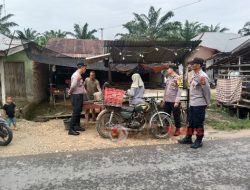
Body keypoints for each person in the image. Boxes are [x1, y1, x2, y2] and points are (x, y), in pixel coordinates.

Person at [179, 58, 211, 149]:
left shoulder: (203, 76)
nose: (192, 65)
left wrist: (207, 102)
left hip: (199, 103)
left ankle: (199, 140)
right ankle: (188, 138)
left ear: (200, 65)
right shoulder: (193, 74)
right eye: (192, 63)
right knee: (191, 122)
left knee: (198, 123)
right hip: (192, 103)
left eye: (194, 64)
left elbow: (207, 91)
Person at [68, 61, 87, 136]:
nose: (85, 69)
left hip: (79, 95)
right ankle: (71, 129)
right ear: (81, 67)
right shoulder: (76, 75)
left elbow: (81, 85)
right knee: (75, 112)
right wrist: (70, 92)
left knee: (78, 111)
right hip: (76, 96)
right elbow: (73, 86)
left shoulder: (79, 75)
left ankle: (77, 126)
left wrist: (85, 92)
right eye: (85, 68)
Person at [163, 65, 182, 136]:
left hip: (174, 100)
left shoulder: (179, 78)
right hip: (167, 100)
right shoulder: (168, 78)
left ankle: (178, 129)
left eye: (168, 69)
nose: (167, 70)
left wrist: (177, 101)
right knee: (166, 115)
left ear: (172, 69)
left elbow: (180, 90)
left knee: (176, 115)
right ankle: (167, 129)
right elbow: (166, 89)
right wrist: (164, 99)